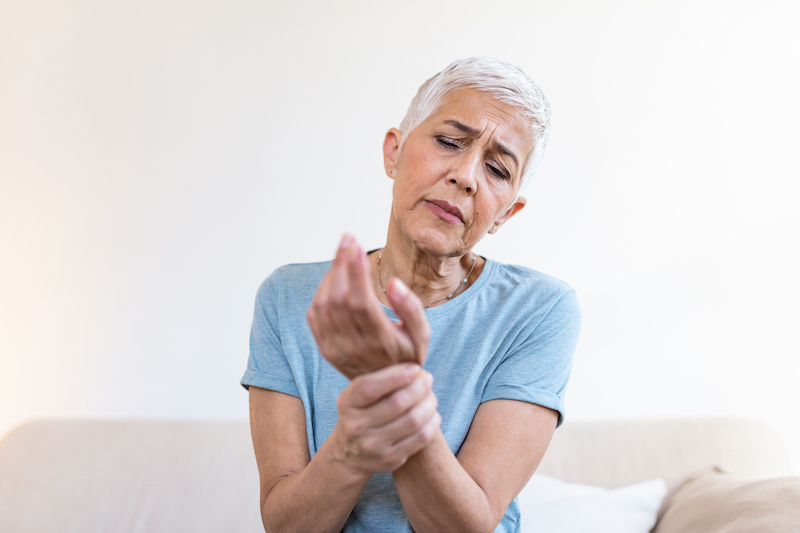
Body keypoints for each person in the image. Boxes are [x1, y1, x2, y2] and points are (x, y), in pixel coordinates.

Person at [241, 57, 581, 533]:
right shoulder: (290, 296)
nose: (466, 175)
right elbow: (288, 527)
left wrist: (391, 386)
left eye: (498, 169)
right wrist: (356, 441)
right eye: (448, 141)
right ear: (393, 152)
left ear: (507, 213)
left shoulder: (539, 309)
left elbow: (468, 526)